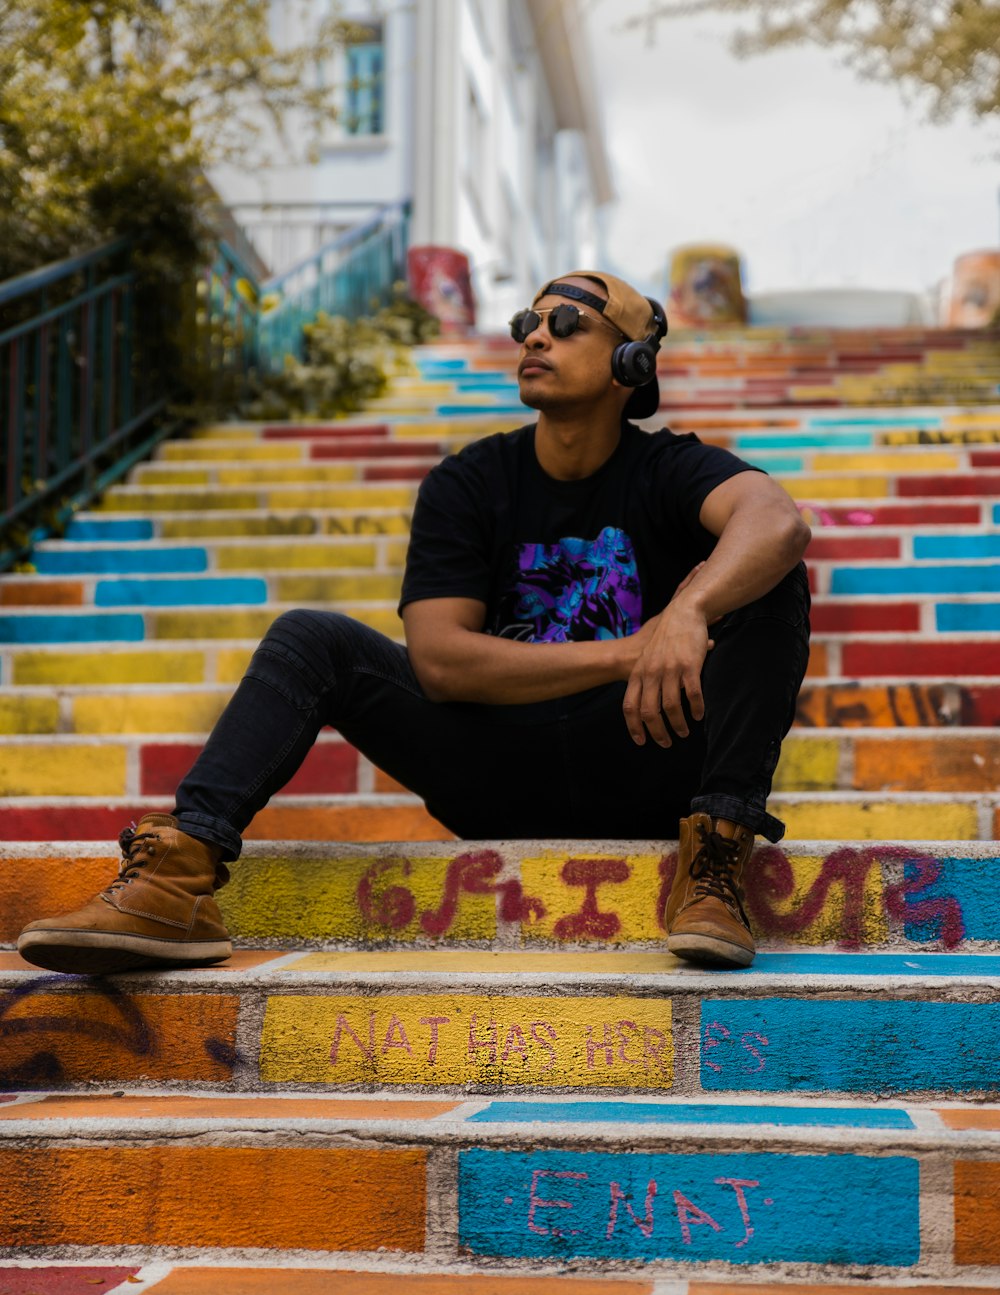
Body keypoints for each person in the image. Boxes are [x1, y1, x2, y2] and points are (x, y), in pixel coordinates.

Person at [18, 271, 810, 977]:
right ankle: (175, 879)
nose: (536, 334)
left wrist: (692, 608)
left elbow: (776, 521)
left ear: (630, 364)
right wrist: (635, 649)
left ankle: (712, 865)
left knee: (767, 577)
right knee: (310, 638)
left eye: (567, 325)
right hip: (496, 769)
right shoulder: (470, 482)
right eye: (526, 322)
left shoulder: (667, 468)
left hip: (645, 761)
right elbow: (439, 661)